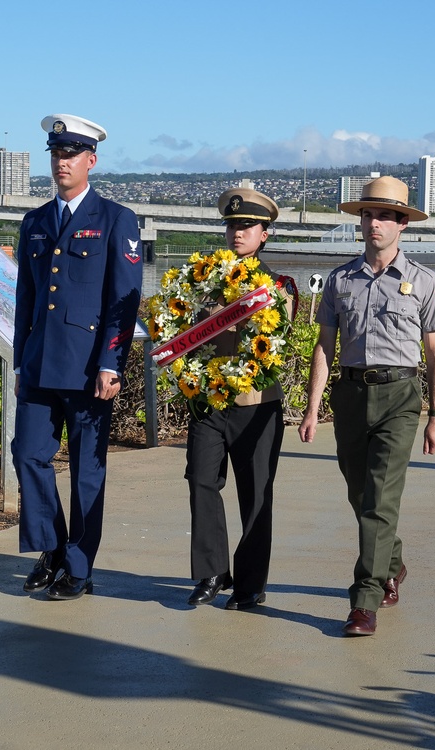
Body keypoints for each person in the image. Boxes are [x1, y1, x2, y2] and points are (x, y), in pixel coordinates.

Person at [298, 176, 435, 636]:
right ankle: (393, 563)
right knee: (361, 496)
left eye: (384, 215)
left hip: (400, 397)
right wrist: (312, 407)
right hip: (350, 396)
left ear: (403, 224)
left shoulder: (423, 281)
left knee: (381, 497)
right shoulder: (341, 280)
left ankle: (364, 600)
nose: (373, 223)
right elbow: (324, 346)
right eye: (367, 214)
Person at [12, 114, 143, 601]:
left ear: (91, 160)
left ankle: (80, 566)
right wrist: (20, 358)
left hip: (89, 369)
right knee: (28, 454)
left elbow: (124, 300)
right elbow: (26, 296)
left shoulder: (115, 219)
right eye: (56, 154)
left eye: (70, 155)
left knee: (87, 472)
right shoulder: (36, 221)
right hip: (41, 363)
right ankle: (50, 550)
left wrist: (113, 363)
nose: (61, 162)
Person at [185, 187, 297, 611]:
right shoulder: (201, 280)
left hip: (256, 405)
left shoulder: (278, 286)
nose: (237, 232)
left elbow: (276, 340)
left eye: (247, 226)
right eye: (232, 225)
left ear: (264, 234)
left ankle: (250, 584)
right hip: (210, 402)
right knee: (200, 481)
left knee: (255, 495)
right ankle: (212, 571)